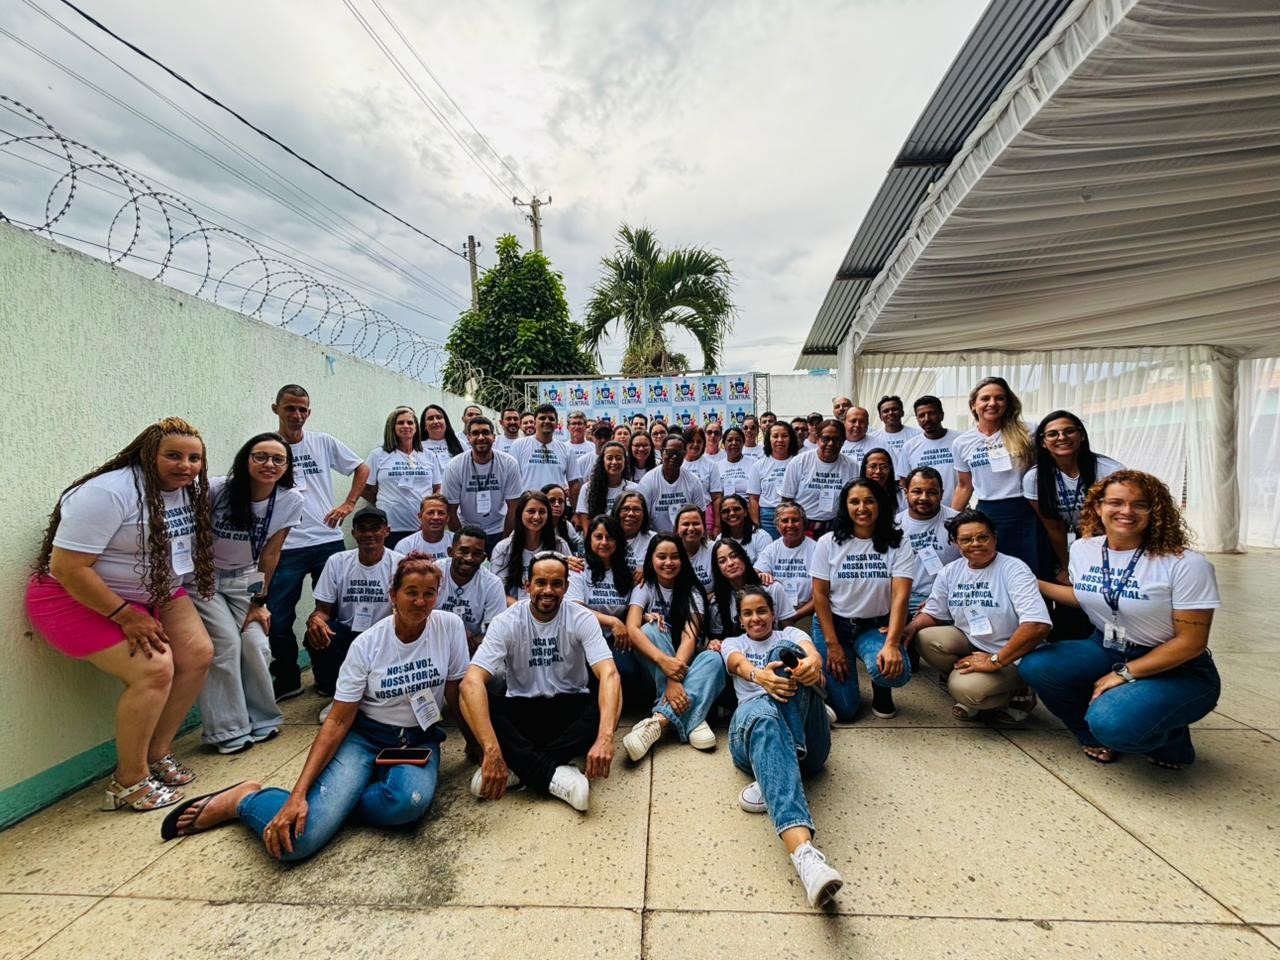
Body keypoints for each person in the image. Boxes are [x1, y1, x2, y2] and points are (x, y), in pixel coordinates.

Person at [159, 554, 470, 856]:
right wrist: (298, 795)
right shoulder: (368, 645)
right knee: (298, 842)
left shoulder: (449, 626)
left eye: (429, 593)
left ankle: (336, 805)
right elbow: (337, 721)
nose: (420, 602)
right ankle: (244, 800)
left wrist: (475, 744)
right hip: (366, 737)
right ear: (393, 595)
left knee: (407, 804)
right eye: (411, 592)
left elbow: (455, 690)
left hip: (417, 740)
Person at [27, 418, 215, 811]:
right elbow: (67, 567)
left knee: (198, 653)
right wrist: (127, 615)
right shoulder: (109, 492)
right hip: (75, 597)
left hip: (154, 591)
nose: (185, 466)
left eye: (194, 458)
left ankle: (156, 753)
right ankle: (128, 781)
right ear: (149, 455)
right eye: (174, 456)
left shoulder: (186, 491)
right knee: (154, 669)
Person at [1021, 471, 1222, 768]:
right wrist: (1028, 581)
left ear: (1155, 511)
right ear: (1098, 506)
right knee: (1037, 666)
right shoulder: (1084, 549)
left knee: (1113, 722)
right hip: (1106, 647)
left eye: (1140, 505)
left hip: (1176, 666)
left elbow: (1191, 643)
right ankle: (1090, 734)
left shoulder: (1185, 564)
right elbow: (1086, 596)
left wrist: (1125, 673)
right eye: (1116, 502)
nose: (1126, 511)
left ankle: (1171, 740)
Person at [462, 552, 621, 811]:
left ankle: (520, 767)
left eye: (556, 584)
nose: (548, 590)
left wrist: (605, 738)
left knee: (614, 689)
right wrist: (491, 751)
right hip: (523, 712)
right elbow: (471, 681)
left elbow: (609, 673)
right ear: (528, 586)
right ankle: (558, 773)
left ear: (566, 587)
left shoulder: (581, 618)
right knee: (467, 695)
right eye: (540, 583)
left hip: (569, 711)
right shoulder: (507, 621)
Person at [721, 587, 842, 908]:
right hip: (752, 726)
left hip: (810, 748)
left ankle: (779, 767)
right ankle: (806, 857)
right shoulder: (734, 643)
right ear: (740, 619)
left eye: (761, 610)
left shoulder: (790, 634)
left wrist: (813, 663)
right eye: (747, 613)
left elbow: (811, 653)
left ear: (773, 613)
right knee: (765, 714)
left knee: (784, 652)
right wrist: (759, 677)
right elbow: (736, 664)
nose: (755, 618)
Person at [194, 433, 303, 754]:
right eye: (261, 456)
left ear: (287, 465)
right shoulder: (217, 490)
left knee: (255, 643)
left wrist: (259, 601)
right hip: (203, 579)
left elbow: (270, 554)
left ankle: (263, 718)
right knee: (225, 645)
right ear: (246, 459)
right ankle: (227, 730)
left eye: (278, 459)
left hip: (246, 576)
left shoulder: (289, 499)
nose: (269, 464)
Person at [266, 385, 369, 701]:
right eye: (290, 408)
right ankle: (287, 677)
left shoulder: (322, 442)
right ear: (276, 409)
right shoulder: (268, 447)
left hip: (327, 542)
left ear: (308, 412)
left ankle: (329, 677)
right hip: (286, 546)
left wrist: (348, 504)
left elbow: (362, 468)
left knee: (334, 614)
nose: (297, 415)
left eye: (302, 409)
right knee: (277, 617)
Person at [904, 510, 1051, 724]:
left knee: (965, 689)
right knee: (925, 636)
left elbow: (1037, 625)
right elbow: (934, 612)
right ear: (956, 543)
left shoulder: (1014, 569)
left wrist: (995, 661)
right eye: (966, 539)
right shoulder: (951, 571)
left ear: (995, 538)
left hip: (1015, 655)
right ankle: (977, 678)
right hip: (974, 642)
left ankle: (1019, 691)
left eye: (983, 537)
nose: (976, 544)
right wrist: (909, 628)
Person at [812, 479, 915, 722]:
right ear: (845, 506)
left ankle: (881, 686)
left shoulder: (898, 543)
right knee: (845, 712)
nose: (862, 508)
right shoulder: (828, 543)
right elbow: (820, 596)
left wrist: (892, 644)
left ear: (880, 505)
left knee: (895, 672)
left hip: (874, 625)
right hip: (834, 625)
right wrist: (832, 645)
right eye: (854, 502)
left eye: (869, 501)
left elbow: (900, 596)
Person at [621, 534, 722, 760]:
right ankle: (695, 718)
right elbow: (632, 629)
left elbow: (690, 637)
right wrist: (667, 668)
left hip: (685, 661)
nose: (668, 562)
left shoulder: (693, 591)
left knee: (715, 658)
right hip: (654, 664)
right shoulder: (645, 586)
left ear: (683, 560)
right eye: (661, 556)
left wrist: (674, 679)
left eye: (675, 557)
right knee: (650, 629)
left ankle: (660, 720)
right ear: (651, 559)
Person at [307, 507, 405, 706]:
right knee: (319, 631)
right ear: (354, 533)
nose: (368, 534)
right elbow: (323, 610)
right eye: (362, 528)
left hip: (383, 635)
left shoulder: (399, 564)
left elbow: (404, 612)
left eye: (375, 528)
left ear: (386, 531)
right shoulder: (337, 562)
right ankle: (334, 691)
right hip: (347, 632)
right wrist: (315, 620)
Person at [1024, 410, 1125, 583]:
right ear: (1043, 442)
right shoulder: (1034, 478)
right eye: (1052, 434)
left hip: (1108, 536)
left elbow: (1121, 518)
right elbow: (1053, 527)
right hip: (1065, 541)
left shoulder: (1111, 470)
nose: (1062, 437)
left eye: (1069, 431)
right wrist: (1067, 567)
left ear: (1082, 436)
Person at [952, 377, 1039, 572]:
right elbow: (964, 486)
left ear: (1007, 403)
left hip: (1026, 510)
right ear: (973, 405)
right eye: (985, 398)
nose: (992, 403)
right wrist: (950, 520)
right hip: (988, 513)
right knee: (993, 571)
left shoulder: (1028, 431)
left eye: (999, 398)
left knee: (1031, 570)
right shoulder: (962, 443)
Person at [569, 515, 644, 703]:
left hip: (616, 638)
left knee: (629, 673)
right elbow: (575, 608)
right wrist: (612, 621)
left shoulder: (627, 571)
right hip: (585, 635)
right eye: (598, 537)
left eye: (610, 537)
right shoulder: (579, 567)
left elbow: (633, 605)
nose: (604, 542)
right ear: (589, 540)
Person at [443, 416, 523, 557]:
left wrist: (504, 542)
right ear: (468, 438)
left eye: (485, 432)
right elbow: (451, 511)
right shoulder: (454, 466)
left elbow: (513, 507)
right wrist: (461, 539)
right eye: (475, 433)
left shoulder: (509, 463)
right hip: (466, 530)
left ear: (494, 437)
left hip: (499, 529)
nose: (481, 437)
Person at [363, 406, 440, 549]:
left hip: (422, 527)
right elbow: (364, 487)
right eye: (400, 423)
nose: (406, 426)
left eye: (410, 423)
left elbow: (437, 488)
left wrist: (430, 513)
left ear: (416, 427)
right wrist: (384, 502)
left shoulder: (429, 455)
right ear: (392, 427)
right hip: (390, 528)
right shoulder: (378, 455)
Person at [895, 467, 960, 615]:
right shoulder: (893, 526)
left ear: (941, 494)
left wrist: (942, 598)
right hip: (903, 598)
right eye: (917, 491)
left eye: (931, 492)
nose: (924, 498)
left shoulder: (958, 523)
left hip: (947, 597)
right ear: (906, 493)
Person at [780, 419, 858, 538]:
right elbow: (786, 499)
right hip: (803, 524)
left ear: (843, 441)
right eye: (826, 439)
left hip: (836, 524)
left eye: (836, 440)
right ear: (817, 438)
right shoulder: (799, 462)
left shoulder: (852, 466)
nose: (831, 444)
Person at [436, 526, 507, 656]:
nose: (469, 558)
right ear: (450, 552)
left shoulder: (492, 584)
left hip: (471, 646)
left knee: (497, 664)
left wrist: (473, 641)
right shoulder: (435, 573)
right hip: (435, 639)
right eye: (463, 551)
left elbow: (496, 632)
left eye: (477, 554)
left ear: (484, 558)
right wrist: (453, 636)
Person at [490, 491, 571, 602]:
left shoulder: (560, 545)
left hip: (551, 606)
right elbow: (497, 591)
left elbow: (568, 585)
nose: (536, 517)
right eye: (531, 511)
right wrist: (523, 609)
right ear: (520, 513)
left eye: (542, 512)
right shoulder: (503, 548)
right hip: (514, 608)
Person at [708, 538, 796, 640]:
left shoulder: (772, 588)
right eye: (722, 561)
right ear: (717, 568)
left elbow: (789, 630)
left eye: (734, 556)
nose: (730, 563)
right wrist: (714, 643)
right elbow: (718, 640)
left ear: (744, 557)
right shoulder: (718, 601)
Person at [755, 502, 818, 628]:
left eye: (795, 520)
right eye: (785, 521)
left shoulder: (816, 549)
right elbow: (756, 571)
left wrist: (792, 616)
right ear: (777, 525)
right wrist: (761, 575)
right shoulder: (772, 549)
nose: (790, 525)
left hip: (804, 611)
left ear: (803, 523)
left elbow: (820, 596)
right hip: (774, 612)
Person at [510, 403, 584, 508]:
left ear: (557, 423)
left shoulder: (567, 450)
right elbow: (512, 481)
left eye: (551, 419)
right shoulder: (518, 446)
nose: (547, 421)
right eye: (542, 418)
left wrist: (576, 511)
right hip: (527, 508)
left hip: (555, 508)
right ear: (534, 422)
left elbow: (574, 484)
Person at [638, 434, 709, 535]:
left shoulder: (693, 481)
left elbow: (701, 516)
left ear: (684, 454)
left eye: (679, 453)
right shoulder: (648, 481)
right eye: (670, 452)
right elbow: (642, 518)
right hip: (656, 538)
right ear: (662, 452)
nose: (674, 456)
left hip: (686, 537)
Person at [901, 396, 961, 501]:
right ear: (917, 419)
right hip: (924, 507)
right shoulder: (909, 446)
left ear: (941, 415)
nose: (927, 419)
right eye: (921, 415)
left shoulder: (960, 440)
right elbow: (904, 481)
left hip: (957, 507)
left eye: (932, 413)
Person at [748, 421, 798, 540]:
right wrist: (756, 525)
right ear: (768, 440)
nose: (780, 440)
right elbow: (753, 499)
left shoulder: (799, 462)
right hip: (767, 517)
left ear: (791, 438)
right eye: (775, 436)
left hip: (794, 514)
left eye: (784, 436)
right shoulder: (759, 465)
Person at [575, 440, 638, 531]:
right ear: (602, 461)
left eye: (618, 458)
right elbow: (586, 526)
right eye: (609, 458)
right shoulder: (587, 488)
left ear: (625, 461)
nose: (614, 462)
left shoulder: (634, 489)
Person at [682, 424, 724, 532]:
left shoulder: (711, 465)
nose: (695, 444)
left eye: (699, 441)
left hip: (705, 514)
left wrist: (717, 525)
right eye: (692, 441)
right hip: (681, 514)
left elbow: (716, 498)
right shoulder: (678, 463)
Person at [395, 493, 454, 561]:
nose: (436, 517)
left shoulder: (456, 541)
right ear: (420, 516)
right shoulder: (405, 546)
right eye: (430, 513)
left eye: (441, 513)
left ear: (448, 518)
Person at [718, 494, 772, 563]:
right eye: (726, 511)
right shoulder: (719, 539)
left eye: (736, 509)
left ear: (745, 511)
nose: (731, 513)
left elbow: (764, 566)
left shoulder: (762, 537)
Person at [675, 504, 716, 591]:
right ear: (677, 530)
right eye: (686, 524)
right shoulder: (671, 552)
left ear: (704, 528)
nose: (691, 528)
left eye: (696, 523)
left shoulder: (714, 549)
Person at [418, 404, 466, 478]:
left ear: (446, 422)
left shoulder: (460, 443)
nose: (435, 421)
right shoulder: (418, 447)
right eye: (430, 418)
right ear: (424, 425)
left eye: (439, 417)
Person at [612, 491, 655, 569]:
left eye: (636, 509)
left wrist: (648, 569)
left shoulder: (653, 539)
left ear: (644, 514)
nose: (631, 514)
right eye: (625, 509)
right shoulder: (606, 538)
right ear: (617, 512)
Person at [542, 483, 584, 557]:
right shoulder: (537, 524)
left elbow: (578, 544)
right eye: (552, 501)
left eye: (561, 501)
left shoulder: (566, 525)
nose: (557, 504)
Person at [860, 448, 906, 514]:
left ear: (890, 469)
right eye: (873, 466)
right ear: (865, 469)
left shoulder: (901, 495)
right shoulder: (856, 493)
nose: (878, 471)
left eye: (884, 467)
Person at [716, 426, 753, 501]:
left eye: (738, 440)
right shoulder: (716, 466)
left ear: (743, 443)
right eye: (730, 440)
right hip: (725, 506)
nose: (734, 443)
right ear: (723, 444)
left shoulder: (754, 463)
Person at [839, 406, 879, 470]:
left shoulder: (880, 445)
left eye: (862, 421)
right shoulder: (834, 444)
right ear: (844, 422)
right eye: (853, 421)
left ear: (867, 424)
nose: (857, 425)